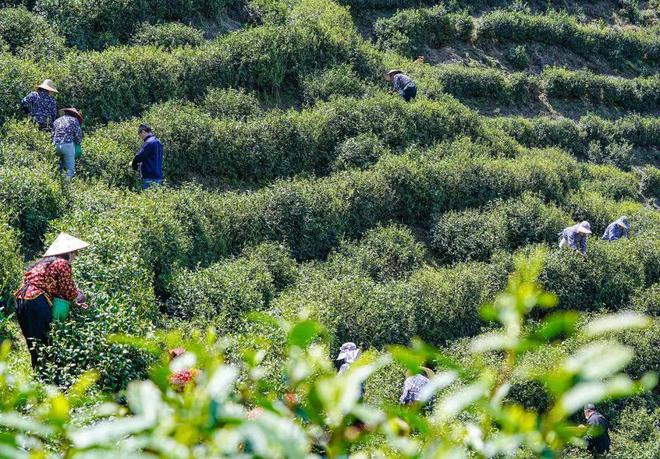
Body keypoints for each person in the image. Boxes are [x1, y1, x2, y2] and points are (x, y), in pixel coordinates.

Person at [13, 233, 89, 368]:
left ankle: (37, 373)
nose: (75, 257)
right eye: (75, 253)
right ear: (69, 252)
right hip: (36, 299)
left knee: (31, 340)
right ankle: (46, 376)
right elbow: (68, 290)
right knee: (43, 340)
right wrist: (79, 298)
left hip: (21, 298)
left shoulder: (43, 263)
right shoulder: (62, 263)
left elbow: (56, 289)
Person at [52, 108, 83, 180]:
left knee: (57, 167)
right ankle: (66, 188)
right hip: (67, 145)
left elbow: (52, 134)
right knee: (70, 171)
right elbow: (78, 136)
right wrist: (78, 144)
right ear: (74, 115)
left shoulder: (57, 121)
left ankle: (56, 182)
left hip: (55, 145)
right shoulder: (74, 120)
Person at [131, 123, 164, 190]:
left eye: (140, 135)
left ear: (143, 131)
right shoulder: (158, 142)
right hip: (158, 176)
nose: (140, 137)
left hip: (150, 177)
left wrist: (134, 165)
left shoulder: (149, 142)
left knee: (148, 199)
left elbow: (138, 157)